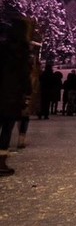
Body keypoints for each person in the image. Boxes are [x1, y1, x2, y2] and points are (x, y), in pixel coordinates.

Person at [0, 16, 32, 176]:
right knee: (6, 128)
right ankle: (1, 162)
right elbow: (24, 75)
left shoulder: (3, 47)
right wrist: (27, 92)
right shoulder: (22, 51)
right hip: (12, 96)